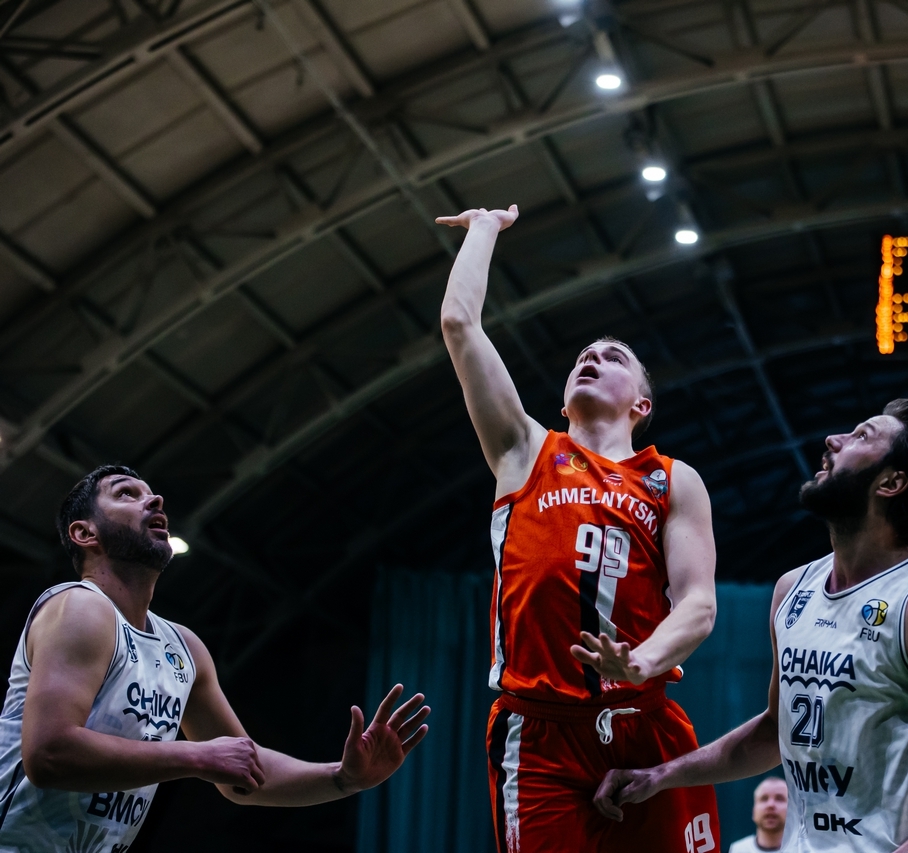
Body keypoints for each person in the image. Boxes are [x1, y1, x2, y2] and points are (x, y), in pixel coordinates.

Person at [595, 398, 908, 852]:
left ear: (891, 482)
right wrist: (659, 776)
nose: (833, 440)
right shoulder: (792, 589)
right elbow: (776, 730)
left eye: (861, 436)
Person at [435, 205, 720, 853]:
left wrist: (641, 661)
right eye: (583, 356)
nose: (592, 357)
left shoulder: (672, 480)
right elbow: (459, 324)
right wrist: (484, 229)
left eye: (613, 357)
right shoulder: (524, 451)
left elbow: (699, 604)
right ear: (563, 400)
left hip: (644, 721)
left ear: (642, 403)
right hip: (540, 733)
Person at [0, 465, 430, 852]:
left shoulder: (182, 647)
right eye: (126, 493)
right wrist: (197, 757)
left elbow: (244, 772)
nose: (155, 499)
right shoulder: (80, 607)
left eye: (151, 492)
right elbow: (50, 754)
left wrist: (342, 777)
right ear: (85, 534)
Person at [729, 776, 788, 853]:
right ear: (754, 810)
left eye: (779, 798)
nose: (770, 805)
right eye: (764, 798)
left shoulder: (802, 848)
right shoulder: (737, 850)